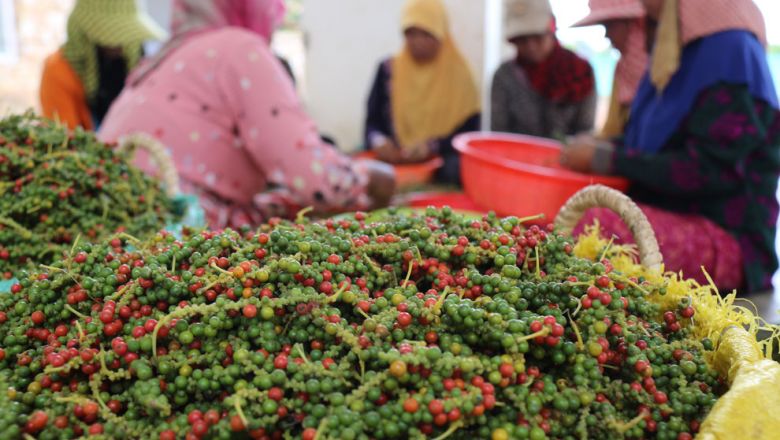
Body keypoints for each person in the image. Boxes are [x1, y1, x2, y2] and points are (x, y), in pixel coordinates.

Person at [99, 0, 395, 229]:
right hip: (176, 232)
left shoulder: (160, 61)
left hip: (107, 228)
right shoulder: (238, 48)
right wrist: (367, 178)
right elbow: (315, 179)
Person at [561, 0, 779, 292]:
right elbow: (653, 149)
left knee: (597, 227)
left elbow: (709, 171)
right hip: (676, 218)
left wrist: (607, 158)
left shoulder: (730, 54)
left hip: (731, 242)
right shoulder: (678, 64)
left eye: (652, 21)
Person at [364, 0, 481, 185]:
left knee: (457, 169)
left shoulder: (460, 75)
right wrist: (379, 141)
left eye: (426, 34)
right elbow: (372, 123)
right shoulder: (388, 70)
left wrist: (432, 147)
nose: (417, 41)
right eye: (411, 33)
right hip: (394, 163)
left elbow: (470, 133)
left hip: (439, 163)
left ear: (441, 34)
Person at [40, 0, 165, 131]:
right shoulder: (58, 71)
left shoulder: (137, 58)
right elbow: (64, 137)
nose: (121, 43)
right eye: (115, 36)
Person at [491, 0, 597, 139]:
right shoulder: (505, 76)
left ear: (552, 30)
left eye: (537, 37)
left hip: (566, 158)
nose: (531, 47)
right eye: (522, 40)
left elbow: (585, 132)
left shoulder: (579, 72)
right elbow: (499, 134)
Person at [572, 0, 648, 137]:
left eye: (610, 26)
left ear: (633, 24)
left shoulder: (659, 72)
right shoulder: (623, 71)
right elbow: (611, 131)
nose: (606, 35)